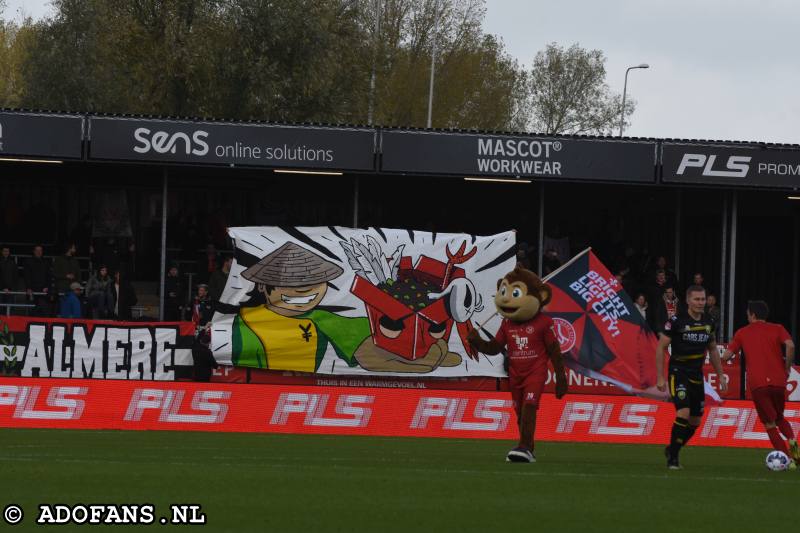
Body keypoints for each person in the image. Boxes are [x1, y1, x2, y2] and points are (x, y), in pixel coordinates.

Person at [656, 285, 727, 469]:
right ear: (687, 301)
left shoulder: (709, 321)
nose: (700, 303)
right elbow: (660, 347)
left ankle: (673, 447)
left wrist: (720, 375)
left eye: (703, 299)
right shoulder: (676, 321)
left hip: (697, 376)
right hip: (678, 373)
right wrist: (660, 377)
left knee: (695, 421)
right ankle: (673, 459)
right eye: (696, 299)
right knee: (683, 412)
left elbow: (712, 349)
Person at [721, 301, 797, 465]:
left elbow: (726, 356)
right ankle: (794, 448)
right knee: (780, 418)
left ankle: (787, 459)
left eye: (748, 313)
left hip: (759, 384)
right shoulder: (778, 328)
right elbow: (790, 346)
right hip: (779, 381)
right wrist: (787, 367)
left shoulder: (742, 332)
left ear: (753, 315)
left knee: (770, 424)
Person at [24, 245, 53, 317]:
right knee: (32, 310)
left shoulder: (46, 262)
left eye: (40, 250)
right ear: (34, 251)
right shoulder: (28, 261)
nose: (39, 252)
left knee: (44, 310)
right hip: (32, 290)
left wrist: (47, 286)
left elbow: (49, 276)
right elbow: (26, 276)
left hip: (44, 291)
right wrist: (28, 287)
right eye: (37, 250)